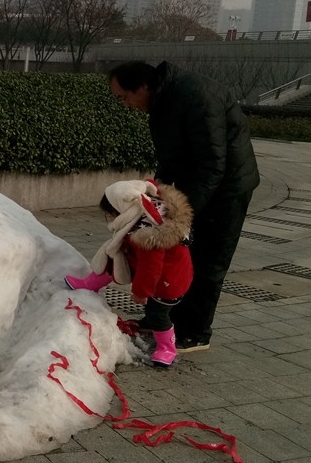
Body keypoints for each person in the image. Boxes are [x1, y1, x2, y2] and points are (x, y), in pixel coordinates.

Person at [107, 61, 260, 352]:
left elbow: (213, 165)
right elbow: (173, 156)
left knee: (208, 262)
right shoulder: (163, 100)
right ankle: (166, 319)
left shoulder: (195, 96)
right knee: (178, 257)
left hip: (227, 189)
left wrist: (181, 217)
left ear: (141, 86)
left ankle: (196, 331)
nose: (125, 105)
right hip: (197, 185)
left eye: (123, 97)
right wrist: (159, 194)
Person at [66, 179, 194, 367]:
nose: (110, 218)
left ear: (121, 209)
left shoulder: (149, 234)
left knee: (157, 314)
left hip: (167, 282)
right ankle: (90, 283)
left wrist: (141, 292)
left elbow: (151, 268)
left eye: (111, 213)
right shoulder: (140, 215)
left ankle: (167, 348)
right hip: (154, 271)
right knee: (116, 256)